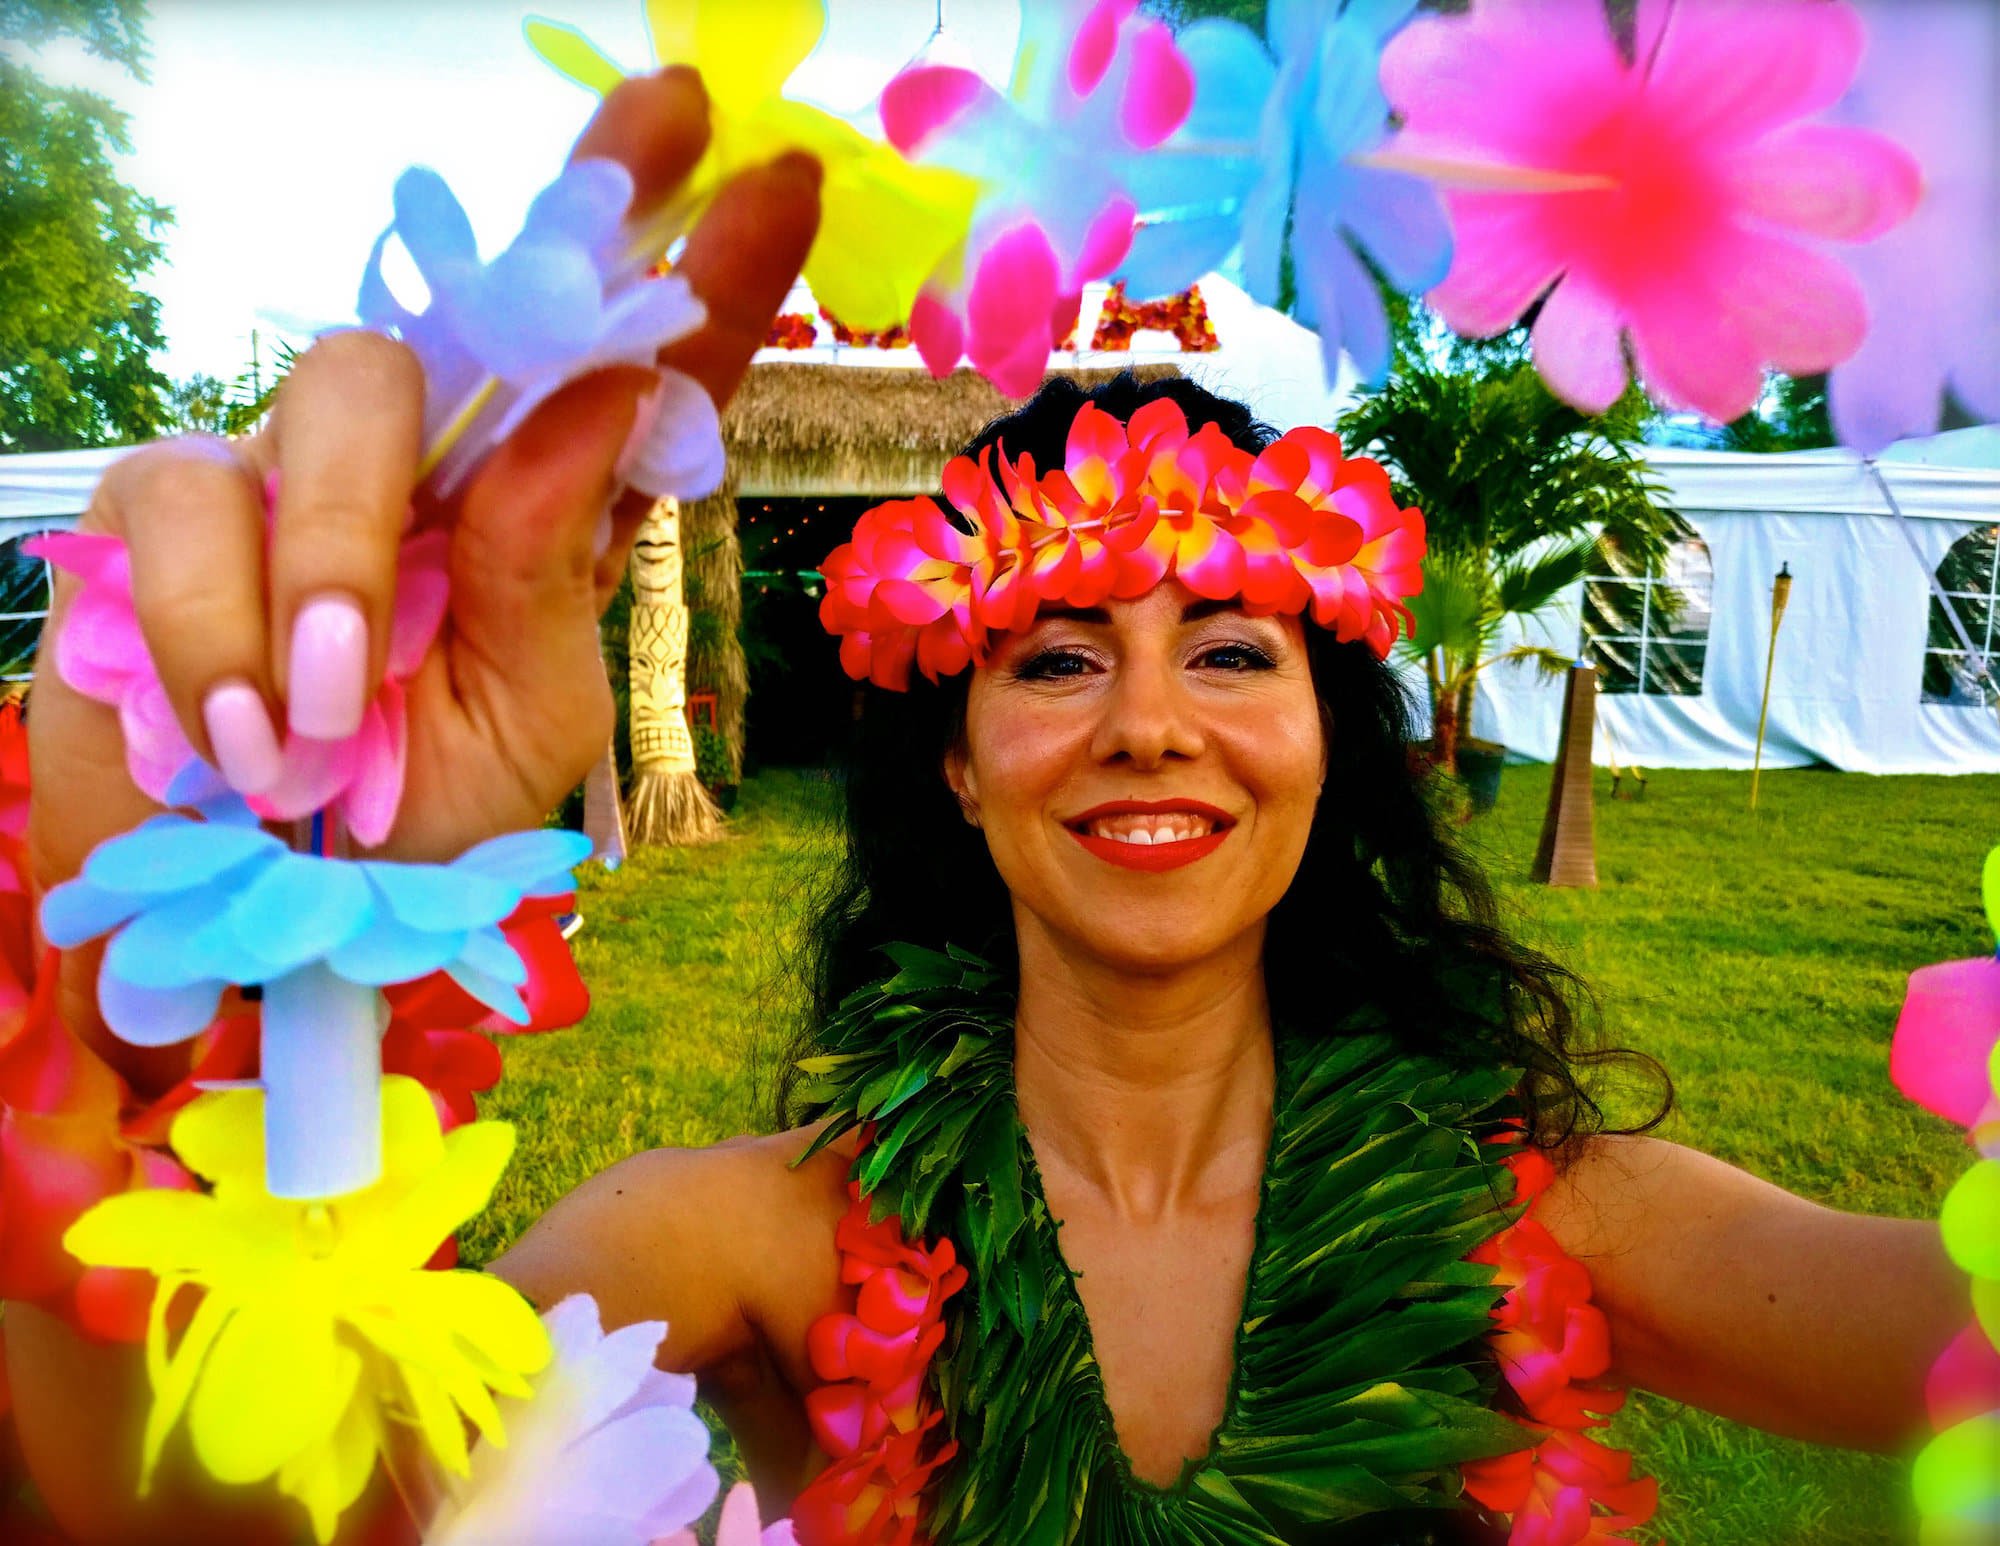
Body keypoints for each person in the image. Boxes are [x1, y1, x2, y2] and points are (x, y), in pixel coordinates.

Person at [8, 69, 1968, 1546]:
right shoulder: (756, 1237)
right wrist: (194, 974)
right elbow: (247, 1503)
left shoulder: (1550, 1212)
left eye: (1227, 649)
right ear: (951, 757)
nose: (1143, 722)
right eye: (1049, 656)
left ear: (1326, 734)